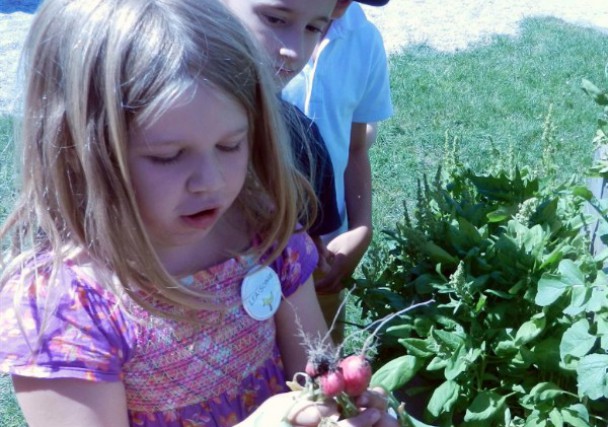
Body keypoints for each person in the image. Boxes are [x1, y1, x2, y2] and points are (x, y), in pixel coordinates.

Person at [0, 0, 394, 426]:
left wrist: (342, 411)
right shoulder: (65, 310)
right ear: (81, 151)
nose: (212, 181)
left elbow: (315, 376)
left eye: (231, 145)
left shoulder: (265, 235)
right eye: (168, 156)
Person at [281, 0, 394, 339]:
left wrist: (361, 227)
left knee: (321, 361)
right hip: (253, 247)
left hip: (325, 249)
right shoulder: (265, 34)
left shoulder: (364, 40)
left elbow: (355, 146)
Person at [222, 0, 342, 256]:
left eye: (313, 28)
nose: (295, 52)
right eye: (275, 19)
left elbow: (310, 252)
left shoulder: (304, 142)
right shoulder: (144, 120)